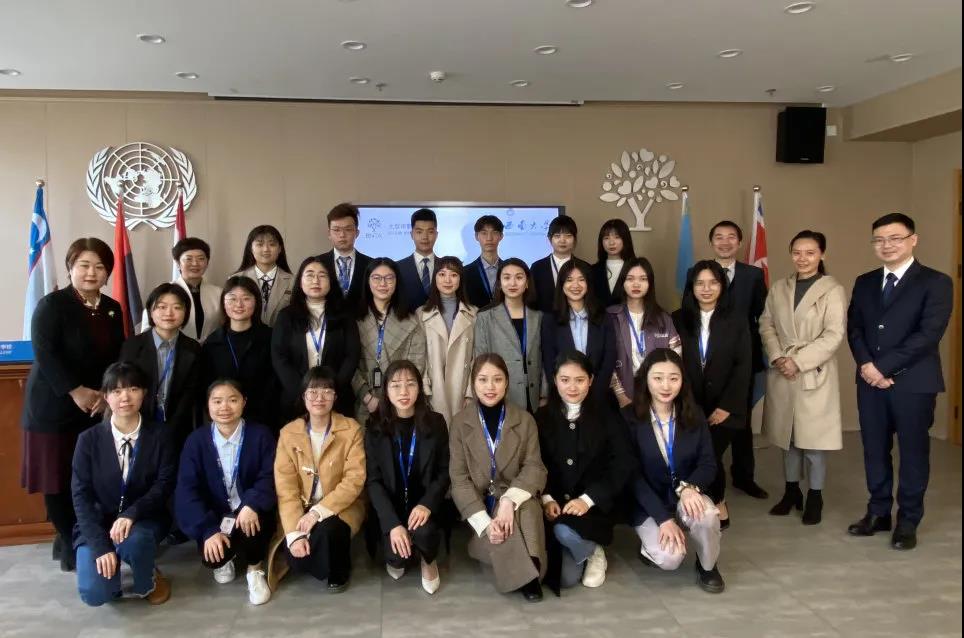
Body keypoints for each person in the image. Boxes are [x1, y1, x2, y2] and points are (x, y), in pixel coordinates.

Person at [846, 213, 952, 550]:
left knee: (913, 452)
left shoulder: (936, 282)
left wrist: (883, 368)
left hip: (913, 383)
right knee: (874, 449)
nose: (887, 245)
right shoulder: (864, 282)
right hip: (870, 383)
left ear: (913, 240)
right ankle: (878, 512)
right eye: (879, 240)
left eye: (895, 238)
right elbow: (855, 328)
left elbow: (928, 334)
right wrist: (867, 365)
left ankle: (908, 520)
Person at [22, 238, 125, 572]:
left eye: (99, 266)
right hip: (53, 407)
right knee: (57, 477)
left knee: (88, 476)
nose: (91, 272)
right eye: (84, 265)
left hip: (96, 406)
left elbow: (117, 356)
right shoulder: (52, 305)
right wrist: (75, 391)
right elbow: (45, 353)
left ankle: (84, 534)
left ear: (108, 272)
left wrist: (105, 393)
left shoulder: (112, 308)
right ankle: (68, 540)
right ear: (70, 268)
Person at [761, 231, 848, 525]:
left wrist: (798, 361)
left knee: (813, 441)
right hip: (782, 370)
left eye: (810, 253)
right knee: (788, 438)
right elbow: (766, 324)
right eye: (797, 252)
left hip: (814, 370)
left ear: (822, 254)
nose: (803, 258)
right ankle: (791, 492)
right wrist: (778, 357)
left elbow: (833, 334)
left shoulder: (832, 290)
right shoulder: (779, 287)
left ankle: (815, 496)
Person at [71, 362, 176, 606]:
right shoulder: (88, 440)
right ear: (105, 396)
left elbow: (164, 484)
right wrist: (100, 546)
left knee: (135, 543)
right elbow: (81, 496)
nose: (125, 397)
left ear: (144, 393)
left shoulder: (161, 436)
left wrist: (131, 514)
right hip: (99, 522)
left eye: (132, 389)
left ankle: (148, 578)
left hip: (143, 519)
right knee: (96, 594)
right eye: (116, 391)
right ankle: (112, 567)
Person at [449, 354, 547, 601]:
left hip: (513, 497)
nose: (490, 387)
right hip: (482, 505)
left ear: (507, 382)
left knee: (529, 508)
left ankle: (530, 567)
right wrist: (485, 523)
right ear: (473, 383)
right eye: (483, 380)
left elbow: (534, 467)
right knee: (501, 528)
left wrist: (508, 501)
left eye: (497, 379)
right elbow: (459, 480)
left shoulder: (524, 420)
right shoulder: (460, 423)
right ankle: (530, 575)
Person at [625, 349, 724, 593]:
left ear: (682, 380)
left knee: (708, 516)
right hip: (648, 502)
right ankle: (649, 546)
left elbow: (708, 463)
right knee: (670, 559)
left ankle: (707, 565)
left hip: (684, 494)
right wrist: (663, 518)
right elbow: (632, 477)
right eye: (658, 378)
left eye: (673, 378)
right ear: (645, 379)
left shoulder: (694, 413)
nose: (666, 386)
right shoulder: (629, 418)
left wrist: (690, 488)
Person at [536, 351, 632, 594]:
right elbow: (535, 463)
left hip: (594, 508)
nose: (572, 387)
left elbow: (622, 464)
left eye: (579, 380)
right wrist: (546, 498)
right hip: (555, 507)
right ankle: (584, 548)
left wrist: (588, 499)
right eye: (565, 380)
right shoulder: (542, 418)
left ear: (591, 380)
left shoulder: (607, 416)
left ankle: (595, 550)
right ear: (554, 380)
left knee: (564, 531)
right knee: (566, 578)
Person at [175, 379, 277, 605]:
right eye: (217, 401)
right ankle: (226, 557)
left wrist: (252, 503)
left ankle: (255, 569)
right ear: (208, 404)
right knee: (213, 557)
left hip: (250, 510)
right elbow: (187, 490)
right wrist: (208, 530)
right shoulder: (196, 441)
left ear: (244, 402)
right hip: (216, 515)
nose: (225, 407)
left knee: (254, 528)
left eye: (232, 400)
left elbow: (269, 475)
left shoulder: (260, 435)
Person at [269, 366, 366, 592]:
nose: (319, 398)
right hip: (301, 506)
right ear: (303, 396)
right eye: (313, 392)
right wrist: (294, 534)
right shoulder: (288, 433)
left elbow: (354, 480)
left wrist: (317, 512)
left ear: (335, 397)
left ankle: (338, 569)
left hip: (341, 505)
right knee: (297, 556)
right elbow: (286, 489)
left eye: (326, 391)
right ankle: (316, 554)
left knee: (329, 531)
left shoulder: (351, 429)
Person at [672, 260, 751, 530]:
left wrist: (727, 405)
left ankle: (718, 502)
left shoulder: (737, 319)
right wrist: (685, 403)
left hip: (725, 406)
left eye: (713, 283)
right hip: (688, 404)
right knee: (692, 456)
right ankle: (695, 507)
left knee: (711, 456)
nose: (706, 289)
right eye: (700, 283)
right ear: (691, 287)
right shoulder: (678, 319)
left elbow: (744, 365)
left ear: (722, 286)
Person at [365, 361, 449, 594]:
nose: (403, 392)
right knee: (396, 559)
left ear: (419, 388)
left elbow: (444, 472)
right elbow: (373, 481)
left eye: (410, 384)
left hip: (423, 507)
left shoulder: (436, 422)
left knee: (425, 533)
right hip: (391, 508)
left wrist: (427, 504)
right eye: (396, 385)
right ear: (386, 390)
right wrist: (392, 523)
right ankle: (401, 545)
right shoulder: (374, 426)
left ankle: (428, 560)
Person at [704, 220, 769, 499]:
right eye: (719, 237)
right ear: (711, 243)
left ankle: (744, 476)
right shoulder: (700, 272)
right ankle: (707, 474)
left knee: (741, 421)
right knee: (708, 417)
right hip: (708, 358)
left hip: (744, 357)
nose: (725, 242)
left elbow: (762, 315)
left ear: (740, 243)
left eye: (731, 237)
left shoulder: (752, 274)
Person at [272, 256, 360, 420]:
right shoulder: (287, 316)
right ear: (300, 281)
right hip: (295, 400)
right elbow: (279, 357)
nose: (316, 281)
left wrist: (332, 392)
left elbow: (352, 356)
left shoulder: (344, 315)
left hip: (337, 399)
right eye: (310, 275)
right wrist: (302, 393)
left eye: (322, 275)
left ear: (331, 281)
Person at [120, 283, 202, 451]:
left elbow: (191, 393)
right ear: (151, 311)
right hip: (137, 424)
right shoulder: (132, 346)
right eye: (162, 307)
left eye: (177, 307)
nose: (169, 313)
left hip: (178, 428)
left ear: (186, 312)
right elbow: (125, 386)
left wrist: (172, 427)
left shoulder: (193, 348)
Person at [353, 258, 427, 425]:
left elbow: (417, 363)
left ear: (397, 282)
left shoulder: (411, 321)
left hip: (401, 401)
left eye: (389, 278)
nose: (383, 283)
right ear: (367, 281)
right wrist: (366, 397)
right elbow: (350, 364)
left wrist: (398, 395)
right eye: (376, 278)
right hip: (365, 402)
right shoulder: (354, 319)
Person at [201, 276, 278, 431]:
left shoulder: (271, 338)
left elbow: (275, 382)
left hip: (263, 419)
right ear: (223, 303)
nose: (239, 304)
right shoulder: (212, 342)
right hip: (223, 419)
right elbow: (206, 385)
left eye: (246, 298)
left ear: (256, 302)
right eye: (232, 299)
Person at [474, 258, 547, 413]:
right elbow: (480, 359)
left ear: (527, 283)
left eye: (519, 277)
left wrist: (544, 393)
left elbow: (545, 359)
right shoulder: (485, 317)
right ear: (499, 284)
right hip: (499, 394)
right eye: (506, 278)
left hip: (534, 396)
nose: (513, 283)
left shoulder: (539, 317)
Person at [608, 257, 680, 408]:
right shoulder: (610, 317)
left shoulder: (664, 319)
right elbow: (605, 361)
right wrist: (621, 396)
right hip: (619, 396)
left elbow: (676, 359)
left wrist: (663, 393)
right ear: (622, 282)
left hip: (658, 395)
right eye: (630, 279)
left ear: (650, 283)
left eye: (643, 279)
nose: (636, 284)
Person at [541, 260, 616, 403]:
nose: (575, 285)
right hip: (563, 398)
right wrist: (565, 392)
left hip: (598, 397)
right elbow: (549, 362)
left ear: (588, 283)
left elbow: (609, 358)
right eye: (569, 280)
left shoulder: (603, 317)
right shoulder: (550, 320)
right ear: (562, 284)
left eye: (581, 279)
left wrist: (595, 392)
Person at [418, 256, 477, 425]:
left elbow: (477, 356)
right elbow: (419, 356)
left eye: (454, 275)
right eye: (442, 274)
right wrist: (424, 388)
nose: (447, 280)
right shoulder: (421, 314)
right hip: (433, 389)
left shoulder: (474, 314)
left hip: (462, 390)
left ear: (461, 279)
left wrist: (470, 393)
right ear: (434, 278)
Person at [142, 237, 222, 342]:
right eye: (189, 259)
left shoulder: (218, 293)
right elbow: (148, 327)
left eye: (201, 258)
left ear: (207, 262)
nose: (195, 263)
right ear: (178, 263)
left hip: (210, 349)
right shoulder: (163, 292)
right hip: (173, 349)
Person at [232, 225, 294, 326]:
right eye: (260, 244)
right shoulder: (235, 280)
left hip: (281, 335)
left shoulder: (293, 281)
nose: (266, 249)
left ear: (280, 249)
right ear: (251, 248)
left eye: (272, 244)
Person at [317, 202, 374, 311]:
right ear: (329, 233)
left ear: (357, 233)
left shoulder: (371, 265)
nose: (342, 235)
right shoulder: (317, 263)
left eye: (348, 229)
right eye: (336, 230)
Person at [530, 216, 591, 313]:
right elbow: (532, 300)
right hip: (544, 319)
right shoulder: (537, 267)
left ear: (575, 239)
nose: (562, 240)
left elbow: (590, 299)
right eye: (557, 236)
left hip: (577, 318)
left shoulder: (585, 267)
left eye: (568, 236)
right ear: (549, 239)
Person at [396, 208, 439, 313]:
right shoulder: (397, 268)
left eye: (430, 232)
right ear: (412, 234)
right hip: (407, 321)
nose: (425, 237)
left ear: (436, 235)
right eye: (419, 232)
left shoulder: (446, 267)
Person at [591, 218, 636, 308]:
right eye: (606, 238)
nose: (611, 242)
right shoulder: (593, 270)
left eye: (617, 237)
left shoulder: (636, 269)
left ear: (625, 239)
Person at [463, 215, 505, 309]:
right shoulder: (465, 272)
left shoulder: (509, 270)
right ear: (476, 236)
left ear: (501, 236)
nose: (489, 238)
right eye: (484, 233)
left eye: (494, 233)